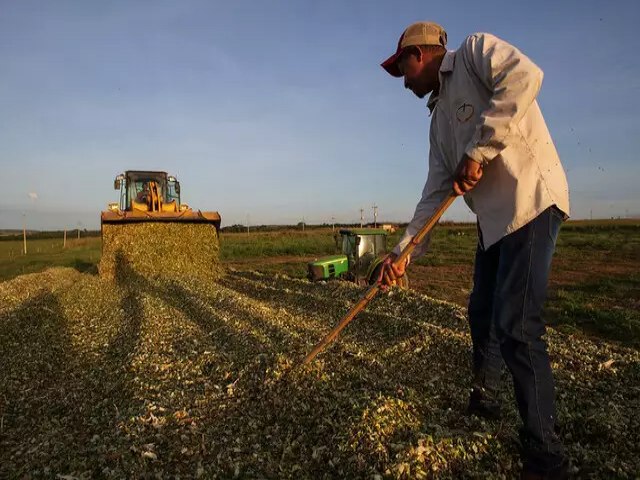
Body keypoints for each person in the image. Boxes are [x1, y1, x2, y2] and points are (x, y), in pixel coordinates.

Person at [378, 21, 570, 480]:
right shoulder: (439, 121)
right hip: (493, 223)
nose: (403, 81)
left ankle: (546, 453)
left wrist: (481, 149)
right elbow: (435, 192)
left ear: (418, 55)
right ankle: (485, 397)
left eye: (401, 69)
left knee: (517, 325)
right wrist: (402, 252)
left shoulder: (474, 53)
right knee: (481, 314)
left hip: (530, 202)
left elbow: (526, 77)